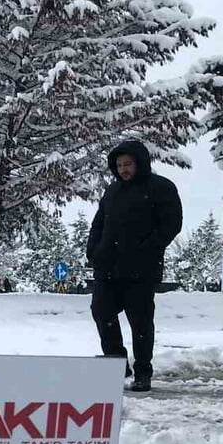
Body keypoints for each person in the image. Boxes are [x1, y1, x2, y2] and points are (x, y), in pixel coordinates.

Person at [86, 139, 183, 392]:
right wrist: (93, 251)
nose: (123, 169)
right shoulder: (112, 191)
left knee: (140, 321)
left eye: (127, 164)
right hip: (108, 266)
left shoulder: (161, 187)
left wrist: (147, 249)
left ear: (140, 162)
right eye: (118, 165)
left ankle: (143, 372)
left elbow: (171, 224)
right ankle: (116, 365)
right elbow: (99, 223)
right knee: (101, 312)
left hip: (142, 269)